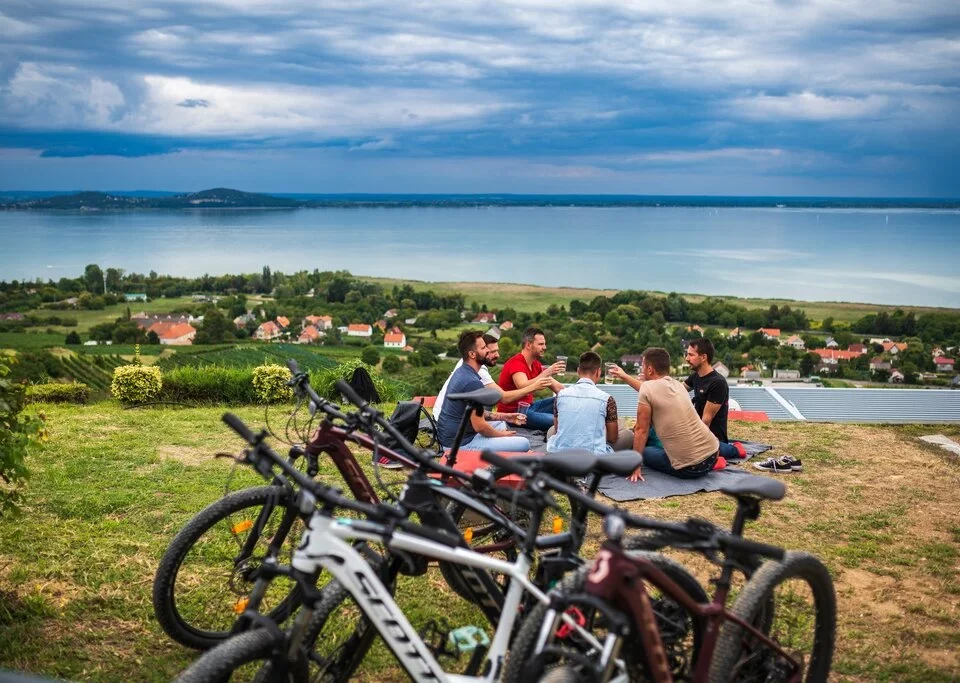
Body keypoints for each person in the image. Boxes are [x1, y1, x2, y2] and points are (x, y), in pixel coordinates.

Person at [628, 347, 720, 482]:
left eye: (643, 366)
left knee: (644, 452)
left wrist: (635, 466)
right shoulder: (677, 385)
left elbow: (641, 430)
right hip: (712, 455)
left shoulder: (646, 388)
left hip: (690, 468)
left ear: (650, 369)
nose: (642, 370)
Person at [435, 330, 531, 452]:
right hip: (460, 444)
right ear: (472, 354)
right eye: (484, 347)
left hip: (454, 435)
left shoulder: (463, 371)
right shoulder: (472, 383)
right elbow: (480, 426)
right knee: (524, 443)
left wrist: (506, 416)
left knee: (501, 424)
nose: (488, 351)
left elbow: (476, 413)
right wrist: (502, 436)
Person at [433, 327, 551, 418]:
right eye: (491, 351)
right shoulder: (477, 371)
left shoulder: (466, 363)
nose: (498, 355)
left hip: (447, 415)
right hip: (448, 421)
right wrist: (535, 386)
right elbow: (503, 398)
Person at [547, 351, 633, 454]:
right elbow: (612, 438)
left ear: (578, 371)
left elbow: (557, 429)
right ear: (598, 372)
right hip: (593, 456)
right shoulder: (607, 399)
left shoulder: (560, 395)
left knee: (551, 431)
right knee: (628, 435)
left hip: (562, 452)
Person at [684, 338, 743, 461]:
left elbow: (706, 420)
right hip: (698, 431)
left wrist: (693, 442)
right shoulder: (696, 376)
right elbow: (677, 391)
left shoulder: (717, 383)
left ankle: (735, 450)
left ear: (703, 357)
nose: (687, 359)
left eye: (690, 355)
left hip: (713, 437)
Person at [496, 327, 564, 431]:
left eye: (544, 344)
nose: (545, 347)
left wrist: (576, 397)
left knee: (562, 400)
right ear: (528, 345)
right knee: (557, 421)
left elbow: (558, 387)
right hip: (515, 413)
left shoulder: (536, 364)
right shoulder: (516, 363)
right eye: (540, 344)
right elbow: (522, 385)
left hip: (531, 407)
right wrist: (547, 372)